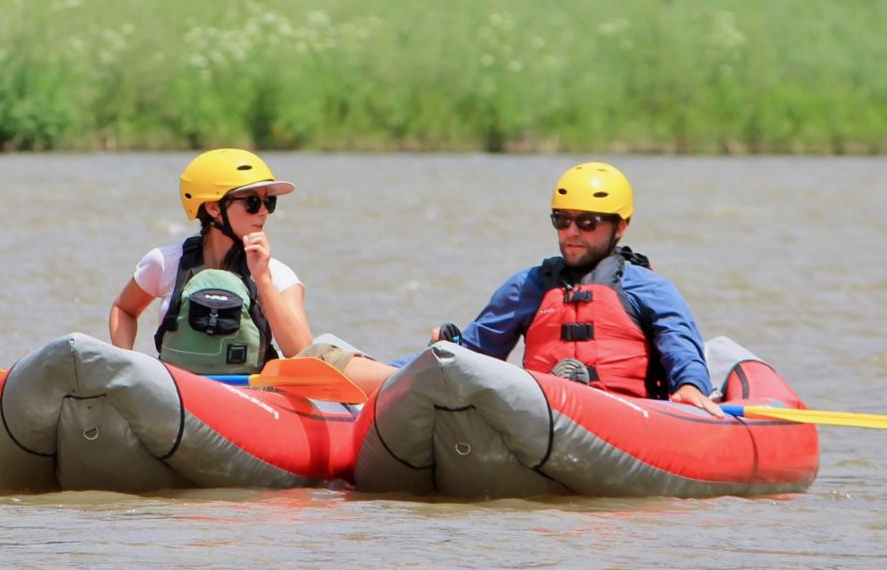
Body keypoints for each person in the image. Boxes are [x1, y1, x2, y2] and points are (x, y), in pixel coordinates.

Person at [430, 161, 724, 417]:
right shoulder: (528, 286)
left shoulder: (649, 288)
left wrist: (690, 386)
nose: (572, 231)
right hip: (542, 417)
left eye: (587, 222)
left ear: (620, 227)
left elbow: (681, 348)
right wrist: (431, 360)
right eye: (562, 220)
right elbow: (475, 354)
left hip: (629, 421)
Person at [109, 147, 392, 394]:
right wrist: (128, 363)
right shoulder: (165, 262)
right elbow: (125, 309)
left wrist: (263, 279)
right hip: (181, 391)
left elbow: (300, 353)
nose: (264, 212)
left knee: (323, 356)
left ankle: (406, 380)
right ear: (213, 208)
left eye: (269, 202)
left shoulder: (278, 275)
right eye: (252, 202)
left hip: (253, 394)